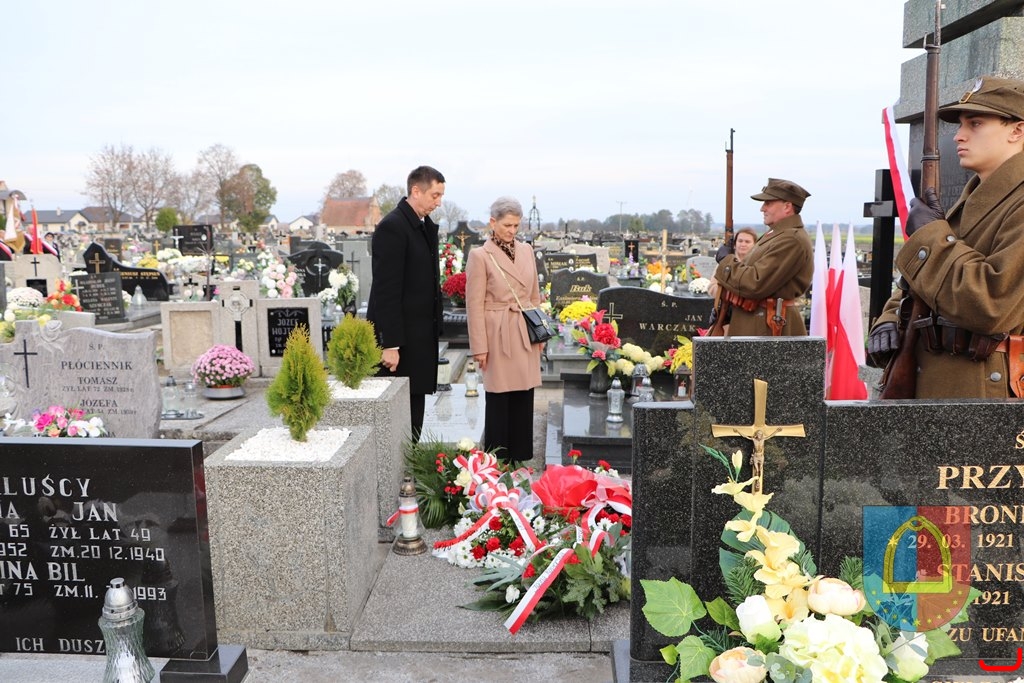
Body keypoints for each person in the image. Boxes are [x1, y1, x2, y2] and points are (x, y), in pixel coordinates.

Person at [867, 76, 1024, 399]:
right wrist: (890, 317)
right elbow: (918, 284)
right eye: (961, 125)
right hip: (941, 385)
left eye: (975, 124)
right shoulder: (974, 199)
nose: (958, 136)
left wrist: (930, 236)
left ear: (1017, 131)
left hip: (985, 392)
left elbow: (991, 304)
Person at [366, 165, 446, 440]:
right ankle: (401, 465)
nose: (439, 202)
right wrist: (390, 344)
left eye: (441, 196)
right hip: (400, 343)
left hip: (418, 338)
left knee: (415, 413)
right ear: (416, 191)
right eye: (435, 195)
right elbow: (386, 290)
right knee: (400, 420)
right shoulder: (393, 227)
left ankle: (409, 462)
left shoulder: (421, 225)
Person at [465, 197, 543, 464]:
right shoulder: (480, 256)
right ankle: (497, 461)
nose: (512, 231)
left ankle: (520, 460)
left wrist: (539, 333)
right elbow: (474, 305)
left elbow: (534, 296)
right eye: (507, 225)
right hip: (497, 333)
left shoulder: (527, 251)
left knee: (524, 395)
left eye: (516, 226)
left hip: (525, 331)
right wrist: (479, 347)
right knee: (499, 397)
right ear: (493, 222)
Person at [709, 179, 813, 336]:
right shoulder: (776, 234)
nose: (762, 208)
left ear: (787, 207)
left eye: (768, 203)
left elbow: (755, 283)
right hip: (755, 320)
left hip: (767, 325)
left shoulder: (791, 239)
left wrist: (726, 261)